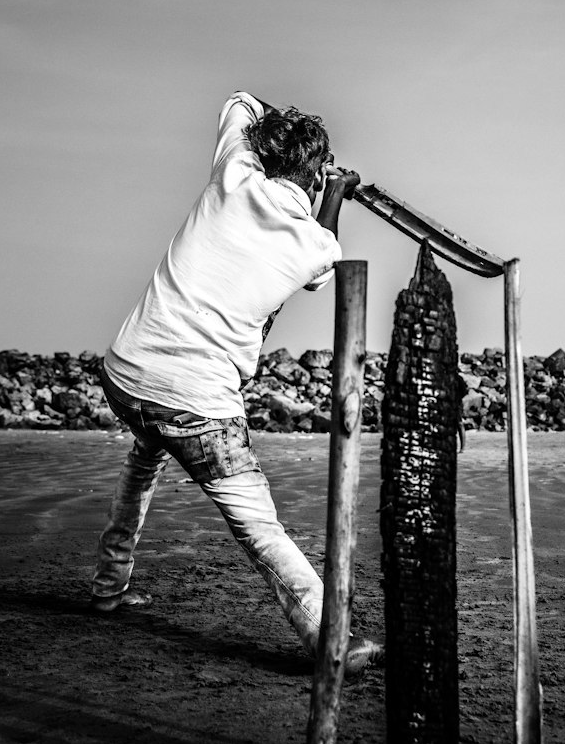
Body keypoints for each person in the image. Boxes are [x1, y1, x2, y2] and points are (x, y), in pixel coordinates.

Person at [90, 89, 382, 676]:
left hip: (126, 374)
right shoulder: (314, 243)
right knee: (257, 524)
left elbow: (240, 101)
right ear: (312, 172)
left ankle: (108, 585)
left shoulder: (234, 170)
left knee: (146, 454)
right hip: (196, 402)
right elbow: (320, 266)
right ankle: (331, 637)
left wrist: (275, 128)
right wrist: (336, 193)